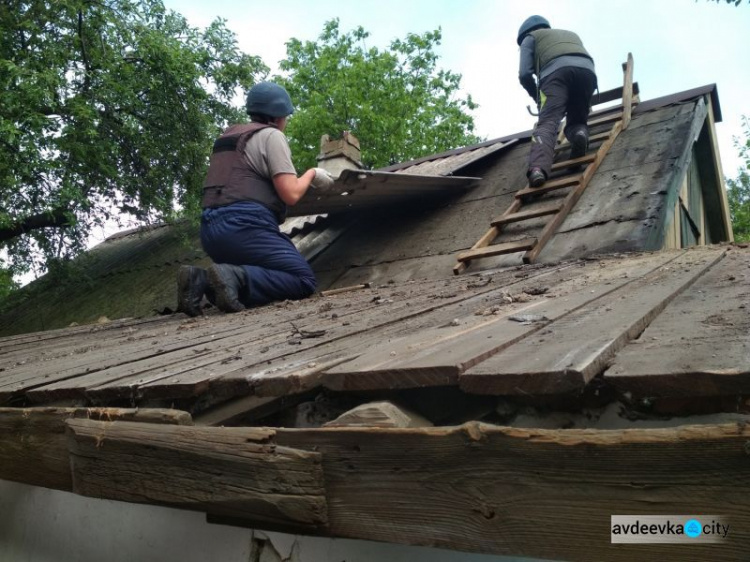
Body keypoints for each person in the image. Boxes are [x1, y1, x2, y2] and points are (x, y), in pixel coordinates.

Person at [177, 81, 335, 316]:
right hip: (245, 227)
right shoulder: (272, 136)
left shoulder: (228, 137)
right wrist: (313, 173)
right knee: (302, 279)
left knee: (260, 268)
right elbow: (290, 194)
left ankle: (198, 281)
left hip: (210, 232)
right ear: (280, 115)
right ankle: (234, 277)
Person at [517, 15, 597, 188]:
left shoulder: (530, 38)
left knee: (547, 123)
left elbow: (524, 74)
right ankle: (579, 134)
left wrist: (538, 97)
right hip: (587, 72)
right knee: (577, 118)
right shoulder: (570, 34)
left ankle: (538, 169)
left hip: (556, 74)